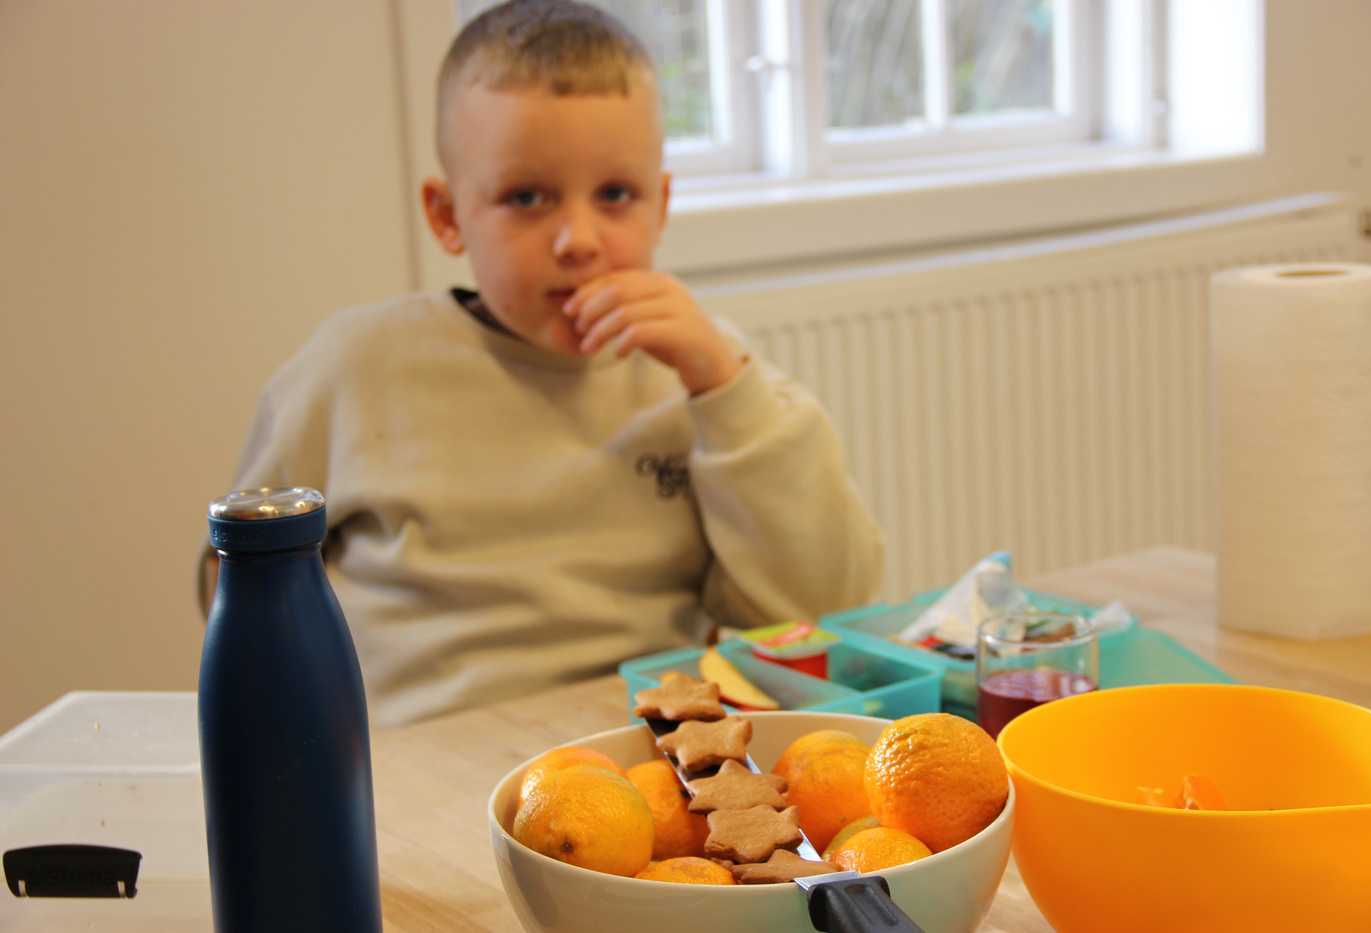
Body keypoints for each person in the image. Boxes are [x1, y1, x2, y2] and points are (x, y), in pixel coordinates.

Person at [205, 0, 884, 727]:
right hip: (408, 763)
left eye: (616, 194)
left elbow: (824, 608)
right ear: (447, 215)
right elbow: (235, 582)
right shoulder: (353, 369)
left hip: (640, 760)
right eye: (527, 197)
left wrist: (725, 388)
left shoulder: (707, 376)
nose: (578, 239)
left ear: (661, 205)